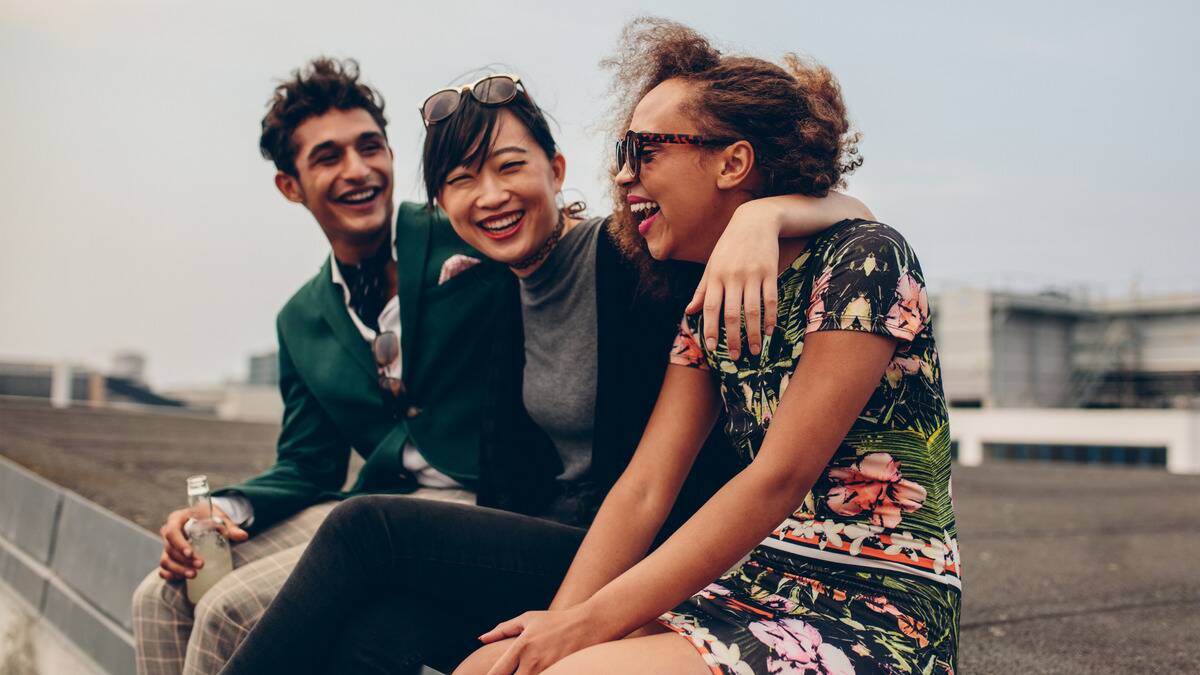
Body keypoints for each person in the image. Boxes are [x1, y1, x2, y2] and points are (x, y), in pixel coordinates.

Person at [217, 66, 874, 674]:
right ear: (442, 209)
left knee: (365, 529)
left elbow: (856, 224)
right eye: (463, 181)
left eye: (510, 167)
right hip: (552, 543)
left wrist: (766, 214)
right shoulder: (492, 286)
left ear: (556, 169)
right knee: (376, 635)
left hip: (649, 553)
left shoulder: (637, 253)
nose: (492, 195)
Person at [454, 18, 961, 675]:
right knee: (488, 671)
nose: (623, 175)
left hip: (873, 607)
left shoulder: (864, 259)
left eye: (645, 151)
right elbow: (645, 485)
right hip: (755, 585)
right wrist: (555, 627)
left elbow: (778, 476)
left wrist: (580, 631)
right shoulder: (708, 301)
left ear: (733, 161)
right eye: (621, 152)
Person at [132, 57, 532, 675]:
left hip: (481, 508)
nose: (358, 170)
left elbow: (560, 233)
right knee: (160, 596)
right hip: (369, 504)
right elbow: (307, 465)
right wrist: (224, 511)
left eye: (370, 147)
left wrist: (745, 219)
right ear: (290, 186)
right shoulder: (300, 318)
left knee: (229, 613)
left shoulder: (472, 227)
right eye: (327, 157)